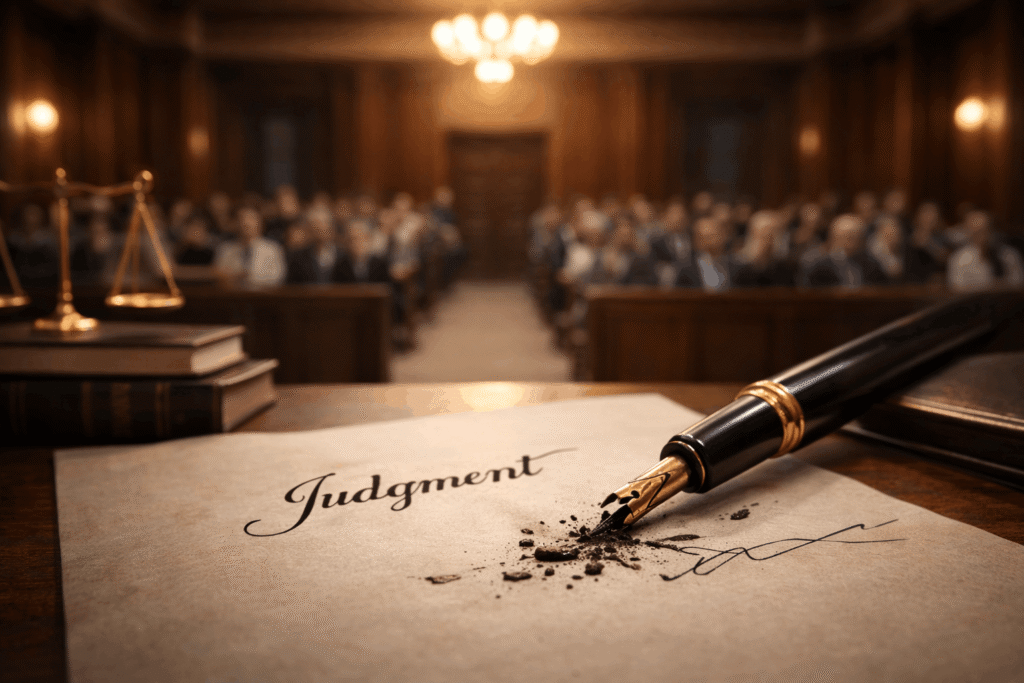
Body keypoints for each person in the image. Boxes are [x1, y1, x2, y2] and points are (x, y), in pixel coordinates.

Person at [798, 214, 886, 288]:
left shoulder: (871, 264)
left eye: (857, 236)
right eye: (848, 236)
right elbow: (808, 293)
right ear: (833, 237)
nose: (852, 241)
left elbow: (882, 289)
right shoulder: (818, 264)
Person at [946, 211, 1024, 291]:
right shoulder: (958, 259)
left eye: (985, 230)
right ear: (968, 233)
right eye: (977, 232)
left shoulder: (1009, 254)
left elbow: (1019, 283)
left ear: (992, 230)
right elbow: (957, 290)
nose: (982, 236)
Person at [214, 206, 286, 287]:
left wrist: (247, 277)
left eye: (251, 218)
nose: (246, 223)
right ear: (235, 223)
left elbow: (277, 277)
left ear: (260, 222)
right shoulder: (225, 249)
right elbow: (218, 276)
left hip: (263, 297)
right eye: (241, 219)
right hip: (232, 297)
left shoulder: (272, 249)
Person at [676, 217, 737, 291]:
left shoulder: (738, 267)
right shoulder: (686, 270)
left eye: (713, 236)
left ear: (723, 236)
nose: (709, 242)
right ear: (695, 241)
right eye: (703, 237)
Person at [734, 210, 794, 287]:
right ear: (752, 234)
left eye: (773, 234)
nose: (768, 241)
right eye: (763, 235)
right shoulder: (738, 266)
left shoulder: (786, 268)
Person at [286, 208, 342, 284]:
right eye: (315, 225)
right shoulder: (298, 258)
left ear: (331, 228)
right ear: (309, 229)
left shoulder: (343, 255)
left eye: (324, 224)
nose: (320, 229)